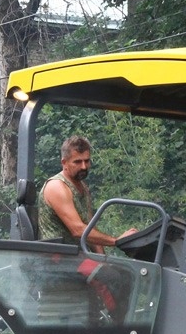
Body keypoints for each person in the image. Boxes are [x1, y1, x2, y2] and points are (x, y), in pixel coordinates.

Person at [37, 135, 136, 318]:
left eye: (87, 161)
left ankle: (109, 324)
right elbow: (78, 230)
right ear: (64, 162)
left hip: (79, 254)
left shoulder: (82, 187)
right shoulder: (57, 187)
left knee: (127, 273)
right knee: (110, 278)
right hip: (60, 258)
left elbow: (89, 227)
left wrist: (102, 258)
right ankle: (120, 329)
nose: (84, 167)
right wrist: (116, 241)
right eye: (78, 162)